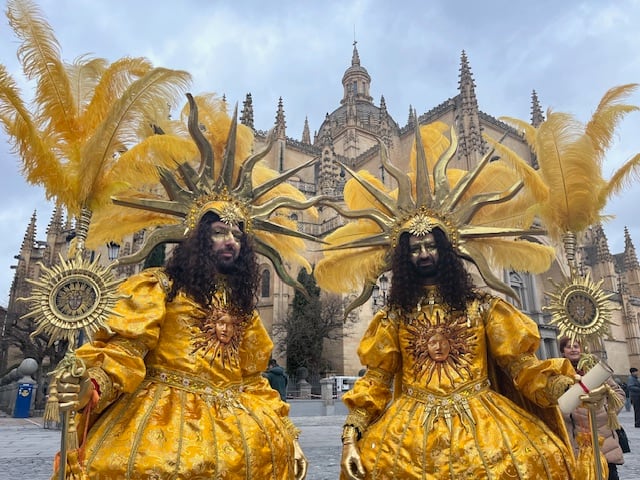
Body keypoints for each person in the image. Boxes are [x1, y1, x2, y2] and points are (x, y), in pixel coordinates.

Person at [53, 95, 311, 479]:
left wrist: (289, 436)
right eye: (220, 231)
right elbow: (124, 353)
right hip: (161, 422)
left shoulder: (241, 308)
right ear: (196, 238)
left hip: (236, 428)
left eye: (238, 234)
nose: (231, 241)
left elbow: (252, 378)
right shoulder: (159, 287)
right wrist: (90, 385)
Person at [314, 122, 581, 479]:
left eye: (431, 245)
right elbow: (376, 380)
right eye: (414, 248)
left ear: (448, 251)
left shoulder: (483, 308)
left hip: (486, 424)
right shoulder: (394, 317)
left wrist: (571, 388)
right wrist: (350, 435)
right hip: (409, 430)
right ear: (402, 258)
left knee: (529, 461)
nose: (423, 253)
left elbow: (522, 368)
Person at [560, 337, 625, 480]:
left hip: (604, 439)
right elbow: (555, 405)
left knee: (610, 476)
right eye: (568, 347)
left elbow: (618, 394)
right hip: (577, 440)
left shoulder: (595, 369)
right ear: (562, 352)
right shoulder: (558, 374)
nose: (573, 349)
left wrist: (607, 410)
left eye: (576, 346)